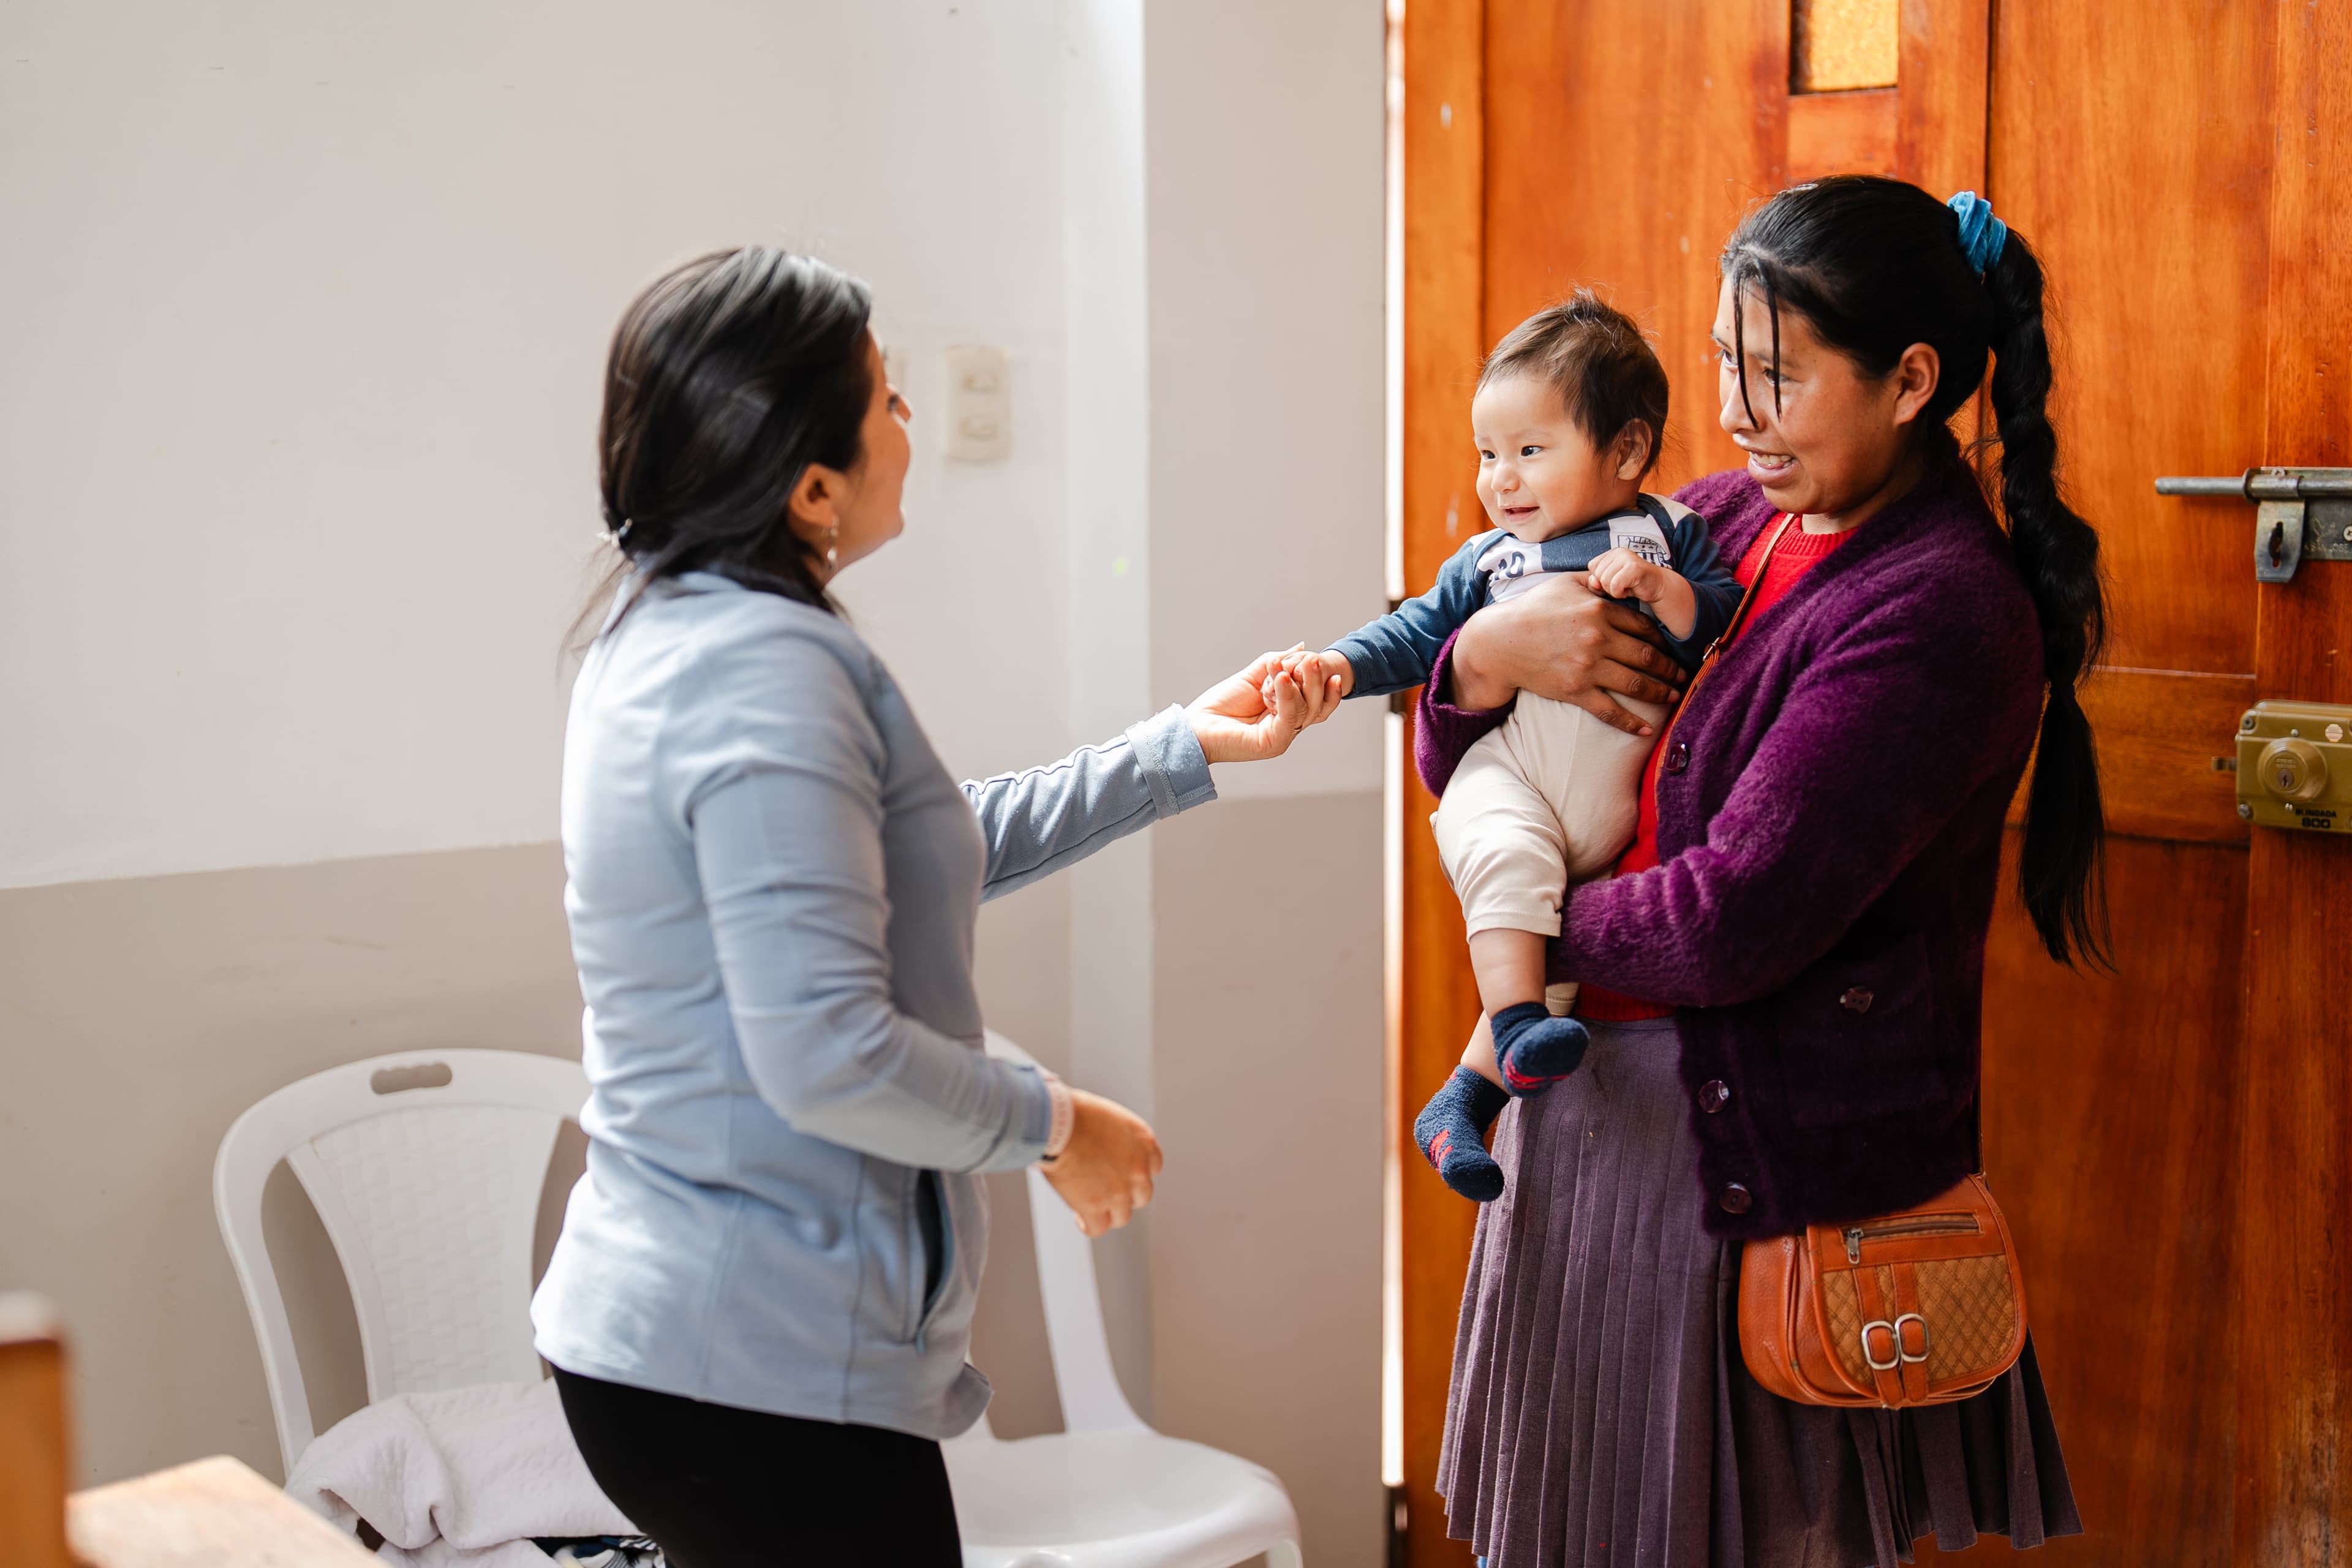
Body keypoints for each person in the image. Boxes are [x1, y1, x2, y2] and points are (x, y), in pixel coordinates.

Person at [529, 246, 1340, 1567]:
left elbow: (914, 857)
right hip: (752, 1369)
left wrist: (1178, 747)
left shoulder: (680, 630)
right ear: (809, 483)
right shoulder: (761, 670)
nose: (910, 427)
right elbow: (829, 1051)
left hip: (698, 1356)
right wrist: (1056, 1125)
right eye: (888, 401)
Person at [1414, 178, 2089, 1564]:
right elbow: (1478, 748)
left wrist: (1527, 926)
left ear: (1911, 381)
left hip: (1739, 1178)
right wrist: (1474, 664)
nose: (1733, 412)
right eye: (1726, 361)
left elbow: (1732, 918)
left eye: (1776, 376)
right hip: (1597, 1122)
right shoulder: (1722, 521)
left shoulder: (1941, 608)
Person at [1281, 293, 1741, 1202]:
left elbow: (1720, 617)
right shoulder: (1492, 562)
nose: (1502, 480)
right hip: (1510, 779)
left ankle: (1464, 1104)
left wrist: (1660, 589)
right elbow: (1416, 635)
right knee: (1509, 865)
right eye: (1489, 454)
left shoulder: (1670, 537)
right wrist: (1337, 665)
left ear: (1628, 452)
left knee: (1560, 930)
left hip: (1608, 822)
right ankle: (1518, 1022)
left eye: (1531, 452)